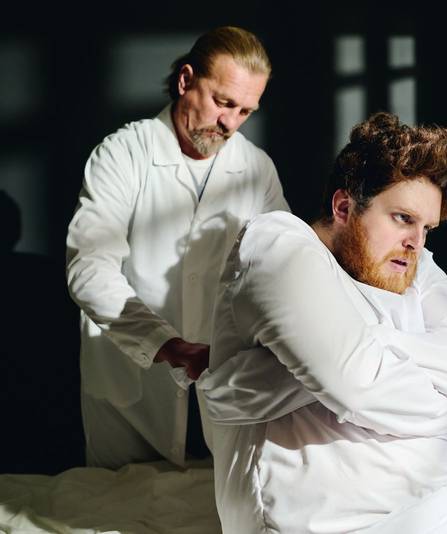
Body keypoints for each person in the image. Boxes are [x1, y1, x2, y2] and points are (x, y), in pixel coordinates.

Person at [198, 112, 447, 533]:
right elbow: (359, 388)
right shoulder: (278, 244)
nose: (416, 242)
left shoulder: (414, 264)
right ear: (343, 207)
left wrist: (370, 340)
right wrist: (445, 402)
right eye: (403, 218)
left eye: (427, 228)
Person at [66, 26, 289, 470]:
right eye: (223, 102)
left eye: (245, 111)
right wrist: (166, 344)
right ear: (186, 80)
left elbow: (280, 266)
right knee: (116, 500)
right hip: (132, 382)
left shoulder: (256, 168)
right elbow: (89, 269)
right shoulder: (122, 153)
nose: (231, 123)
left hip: (222, 383)